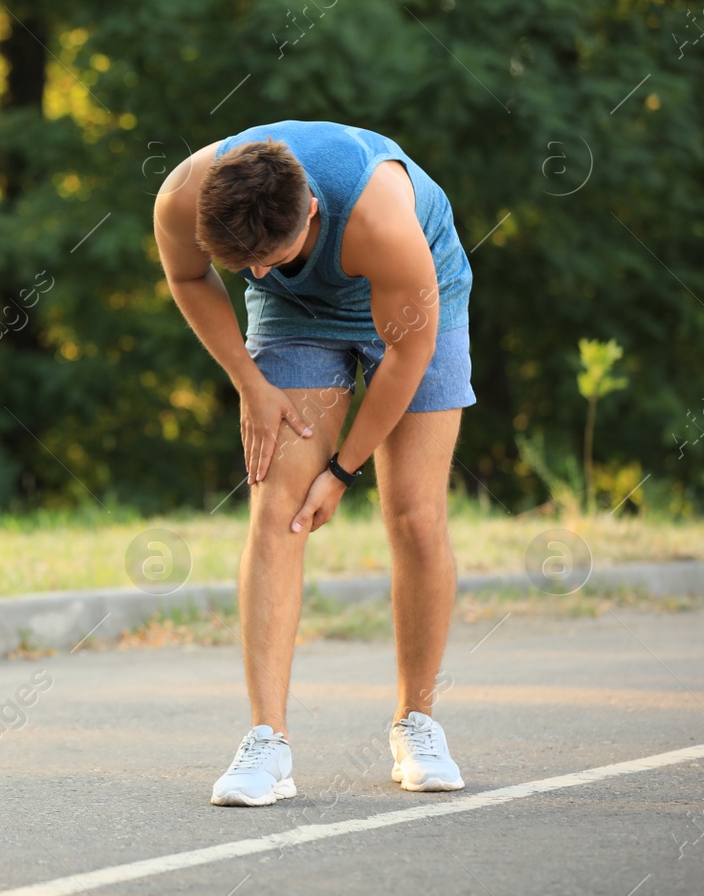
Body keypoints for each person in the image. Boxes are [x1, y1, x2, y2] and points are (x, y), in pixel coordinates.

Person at [152, 120, 474, 807]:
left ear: (313, 213)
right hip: (296, 316)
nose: (256, 272)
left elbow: (407, 354)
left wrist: (343, 469)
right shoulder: (184, 195)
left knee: (414, 514)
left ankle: (417, 720)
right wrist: (249, 380)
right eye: (244, 265)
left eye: (269, 255)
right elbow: (187, 274)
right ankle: (267, 739)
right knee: (279, 512)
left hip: (418, 297)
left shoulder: (379, 217)